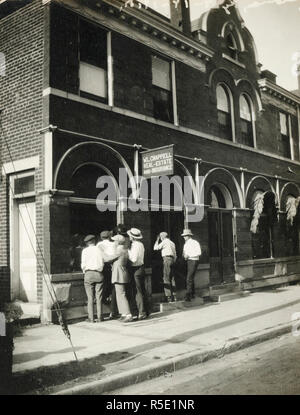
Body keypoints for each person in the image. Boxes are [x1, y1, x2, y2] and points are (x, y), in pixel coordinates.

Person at [81, 234, 104, 323]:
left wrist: (85, 272)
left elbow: (83, 264)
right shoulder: (99, 250)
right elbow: (102, 263)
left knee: (90, 297)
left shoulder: (84, 251)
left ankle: (91, 318)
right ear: (94, 241)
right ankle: (100, 317)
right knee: (99, 297)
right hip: (98, 273)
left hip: (89, 273)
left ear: (87, 243)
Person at [127, 228, 149, 320]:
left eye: (129, 236)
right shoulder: (141, 244)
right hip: (141, 268)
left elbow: (134, 259)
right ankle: (146, 311)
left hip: (136, 269)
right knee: (142, 290)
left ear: (132, 237)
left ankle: (141, 312)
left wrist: (127, 252)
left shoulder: (135, 246)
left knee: (137, 291)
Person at [110, 234, 133, 323]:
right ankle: (123, 314)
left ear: (118, 242)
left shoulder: (119, 250)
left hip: (119, 275)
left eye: (114, 241)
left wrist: (101, 252)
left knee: (121, 295)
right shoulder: (124, 249)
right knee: (120, 295)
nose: (113, 242)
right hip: (121, 274)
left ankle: (128, 314)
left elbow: (108, 258)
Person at [97, 230, 119, 319]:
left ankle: (109, 308)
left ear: (101, 237)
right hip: (113, 266)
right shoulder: (114, 244)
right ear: (109, 237)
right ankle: (113, 311)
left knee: (104, 288)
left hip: (104, 267)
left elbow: (102, 257)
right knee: (113, 288)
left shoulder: (99, 245)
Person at [154, 232, 177, 303]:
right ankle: (175, 296)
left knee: (166, 278)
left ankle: (168, 297)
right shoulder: (172, 243)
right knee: (172, 278)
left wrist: (157, 240)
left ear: (162, 237)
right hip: (172, 260)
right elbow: (175, 254)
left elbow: (155, 248)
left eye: (161, 237)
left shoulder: (164, 242)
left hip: (166, 259)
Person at [181, 229, 201, 302]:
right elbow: (185, 253)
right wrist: (184, 255)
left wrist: (188, 255)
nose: (184, 237)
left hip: (193, 260)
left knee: (189, 278)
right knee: (190, 278)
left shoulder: (195, 242)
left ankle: (188, 296)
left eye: (185, 236)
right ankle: (192, 294)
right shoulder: (186, 244)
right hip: (188, 261)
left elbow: (198, 252)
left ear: (189, 236)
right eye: (184, 236)